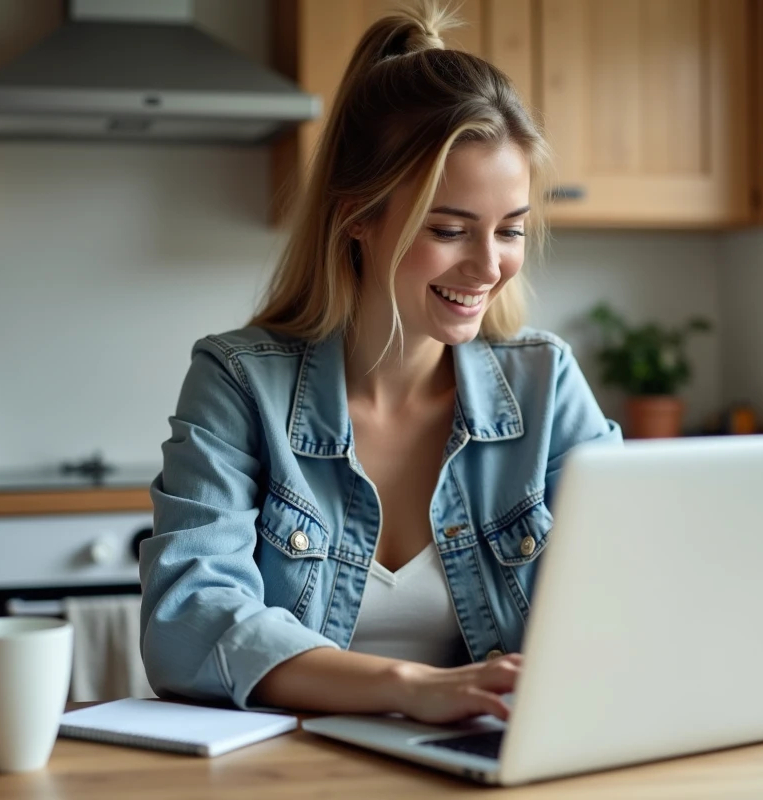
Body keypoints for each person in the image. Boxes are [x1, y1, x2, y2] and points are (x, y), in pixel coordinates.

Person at [139, 1, 622, 725]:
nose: (489, 266)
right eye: (450, 229)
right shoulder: (239, 383)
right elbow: (187, 620)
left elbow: (626, 594)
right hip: (295, 767)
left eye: (510, 231)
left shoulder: (546, 385)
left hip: (484, 760)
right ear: (357, 216)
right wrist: (409, 686)